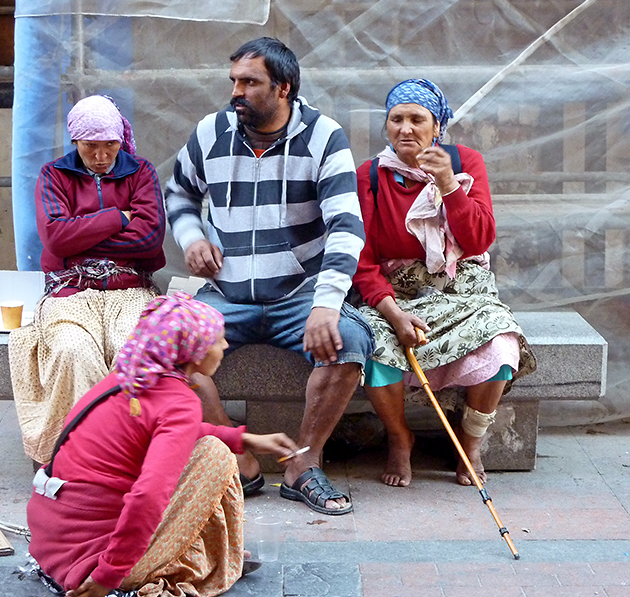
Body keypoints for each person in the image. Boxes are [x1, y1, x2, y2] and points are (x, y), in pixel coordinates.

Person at [165, 37, 374, 516]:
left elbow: (346, 225)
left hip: (299, 296)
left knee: (349, 340)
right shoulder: (210, 133)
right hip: (227, 294)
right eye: (233, 81)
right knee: (168, 346)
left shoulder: (324, 136)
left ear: (283, 88)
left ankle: (304, 464)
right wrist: (193, 237)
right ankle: (235, 454)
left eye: (249, 82)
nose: (236, 92)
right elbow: (177, 194)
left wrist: (326, 303)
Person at [27, 293, 300, 597]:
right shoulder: (179, 402)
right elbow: (148, 496)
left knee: (210, 446)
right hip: (91, 567)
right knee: (216, 456)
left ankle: (188, 552)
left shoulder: (126, 377)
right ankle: (183, 559)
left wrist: (244, 439)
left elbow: (168, 432)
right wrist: (108, 576)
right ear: (194, 353)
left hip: (52, 547)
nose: (224, 347)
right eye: (218, 340)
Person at [352, 78, 536, 487]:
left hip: (461, 287)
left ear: (437, 127)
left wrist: (449, 185)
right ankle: (400, 438)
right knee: (375, 347)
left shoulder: (465, 162)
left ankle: (469, 443)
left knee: (500, 340)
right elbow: (361, 257)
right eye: (396, 119)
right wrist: (391, 310)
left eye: (417, 119)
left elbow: (479, 239)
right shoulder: (371, 175)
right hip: (395, 291)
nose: (405, 129)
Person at [9, 94, 166, 466]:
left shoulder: (140, 172)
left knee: (134, 350)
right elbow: (55, 238)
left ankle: (127, 454)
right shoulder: (55, 175)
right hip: (71, 291)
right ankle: (78, 454)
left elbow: (150, 238)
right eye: (90, 146)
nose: (101, 155)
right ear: (75, 142)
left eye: (109, 145)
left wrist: (80, 233)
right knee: (71, 350)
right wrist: (118, 217)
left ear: (119, 139)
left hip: (129, 289)